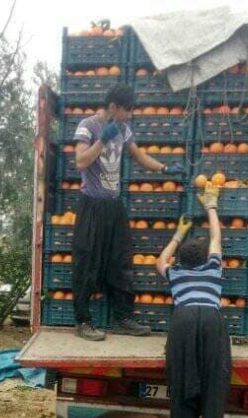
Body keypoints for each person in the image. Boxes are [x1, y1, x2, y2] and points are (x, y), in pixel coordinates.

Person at [71, 83, 184, 342]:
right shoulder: (88, 126)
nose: (130, 115)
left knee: (120, 262)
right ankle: (83, 321)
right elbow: (80, 161)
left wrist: (165, 169)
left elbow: (140, 156)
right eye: (127, 110)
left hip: (114, 206)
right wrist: (103, 140)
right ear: (113, 107)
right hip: (92, 205)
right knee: (88, 263)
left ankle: (123, 317)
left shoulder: (123, 129)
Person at [155, 185, 231, 418]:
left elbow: (159, 262)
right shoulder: (214, 269)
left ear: (181, 262)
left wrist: (177, 234)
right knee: (214, 390)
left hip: (183, 322)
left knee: (182, 390)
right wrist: (211, 205)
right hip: (211, 322)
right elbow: (216, 237)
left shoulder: (175, 273)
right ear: (205, 258)